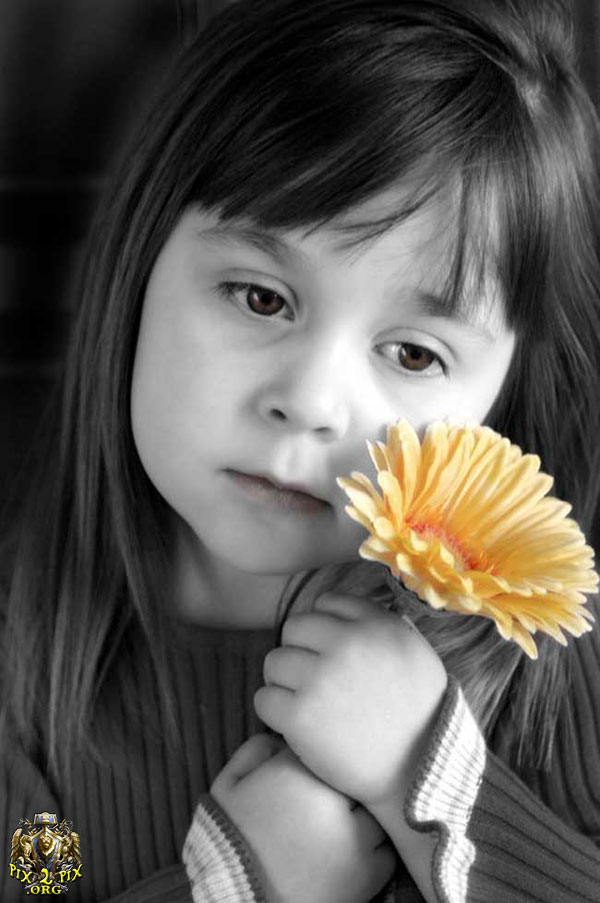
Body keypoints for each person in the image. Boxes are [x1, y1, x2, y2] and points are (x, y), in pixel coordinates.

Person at [1, 0, 599, 900]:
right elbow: (37, 885)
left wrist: (433, 781)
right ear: (138, 267)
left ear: (502, 398)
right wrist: (239, 885)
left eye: (413, 354)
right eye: (261, 297)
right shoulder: (28, 684)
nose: (311, 402)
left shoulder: (544, 654)